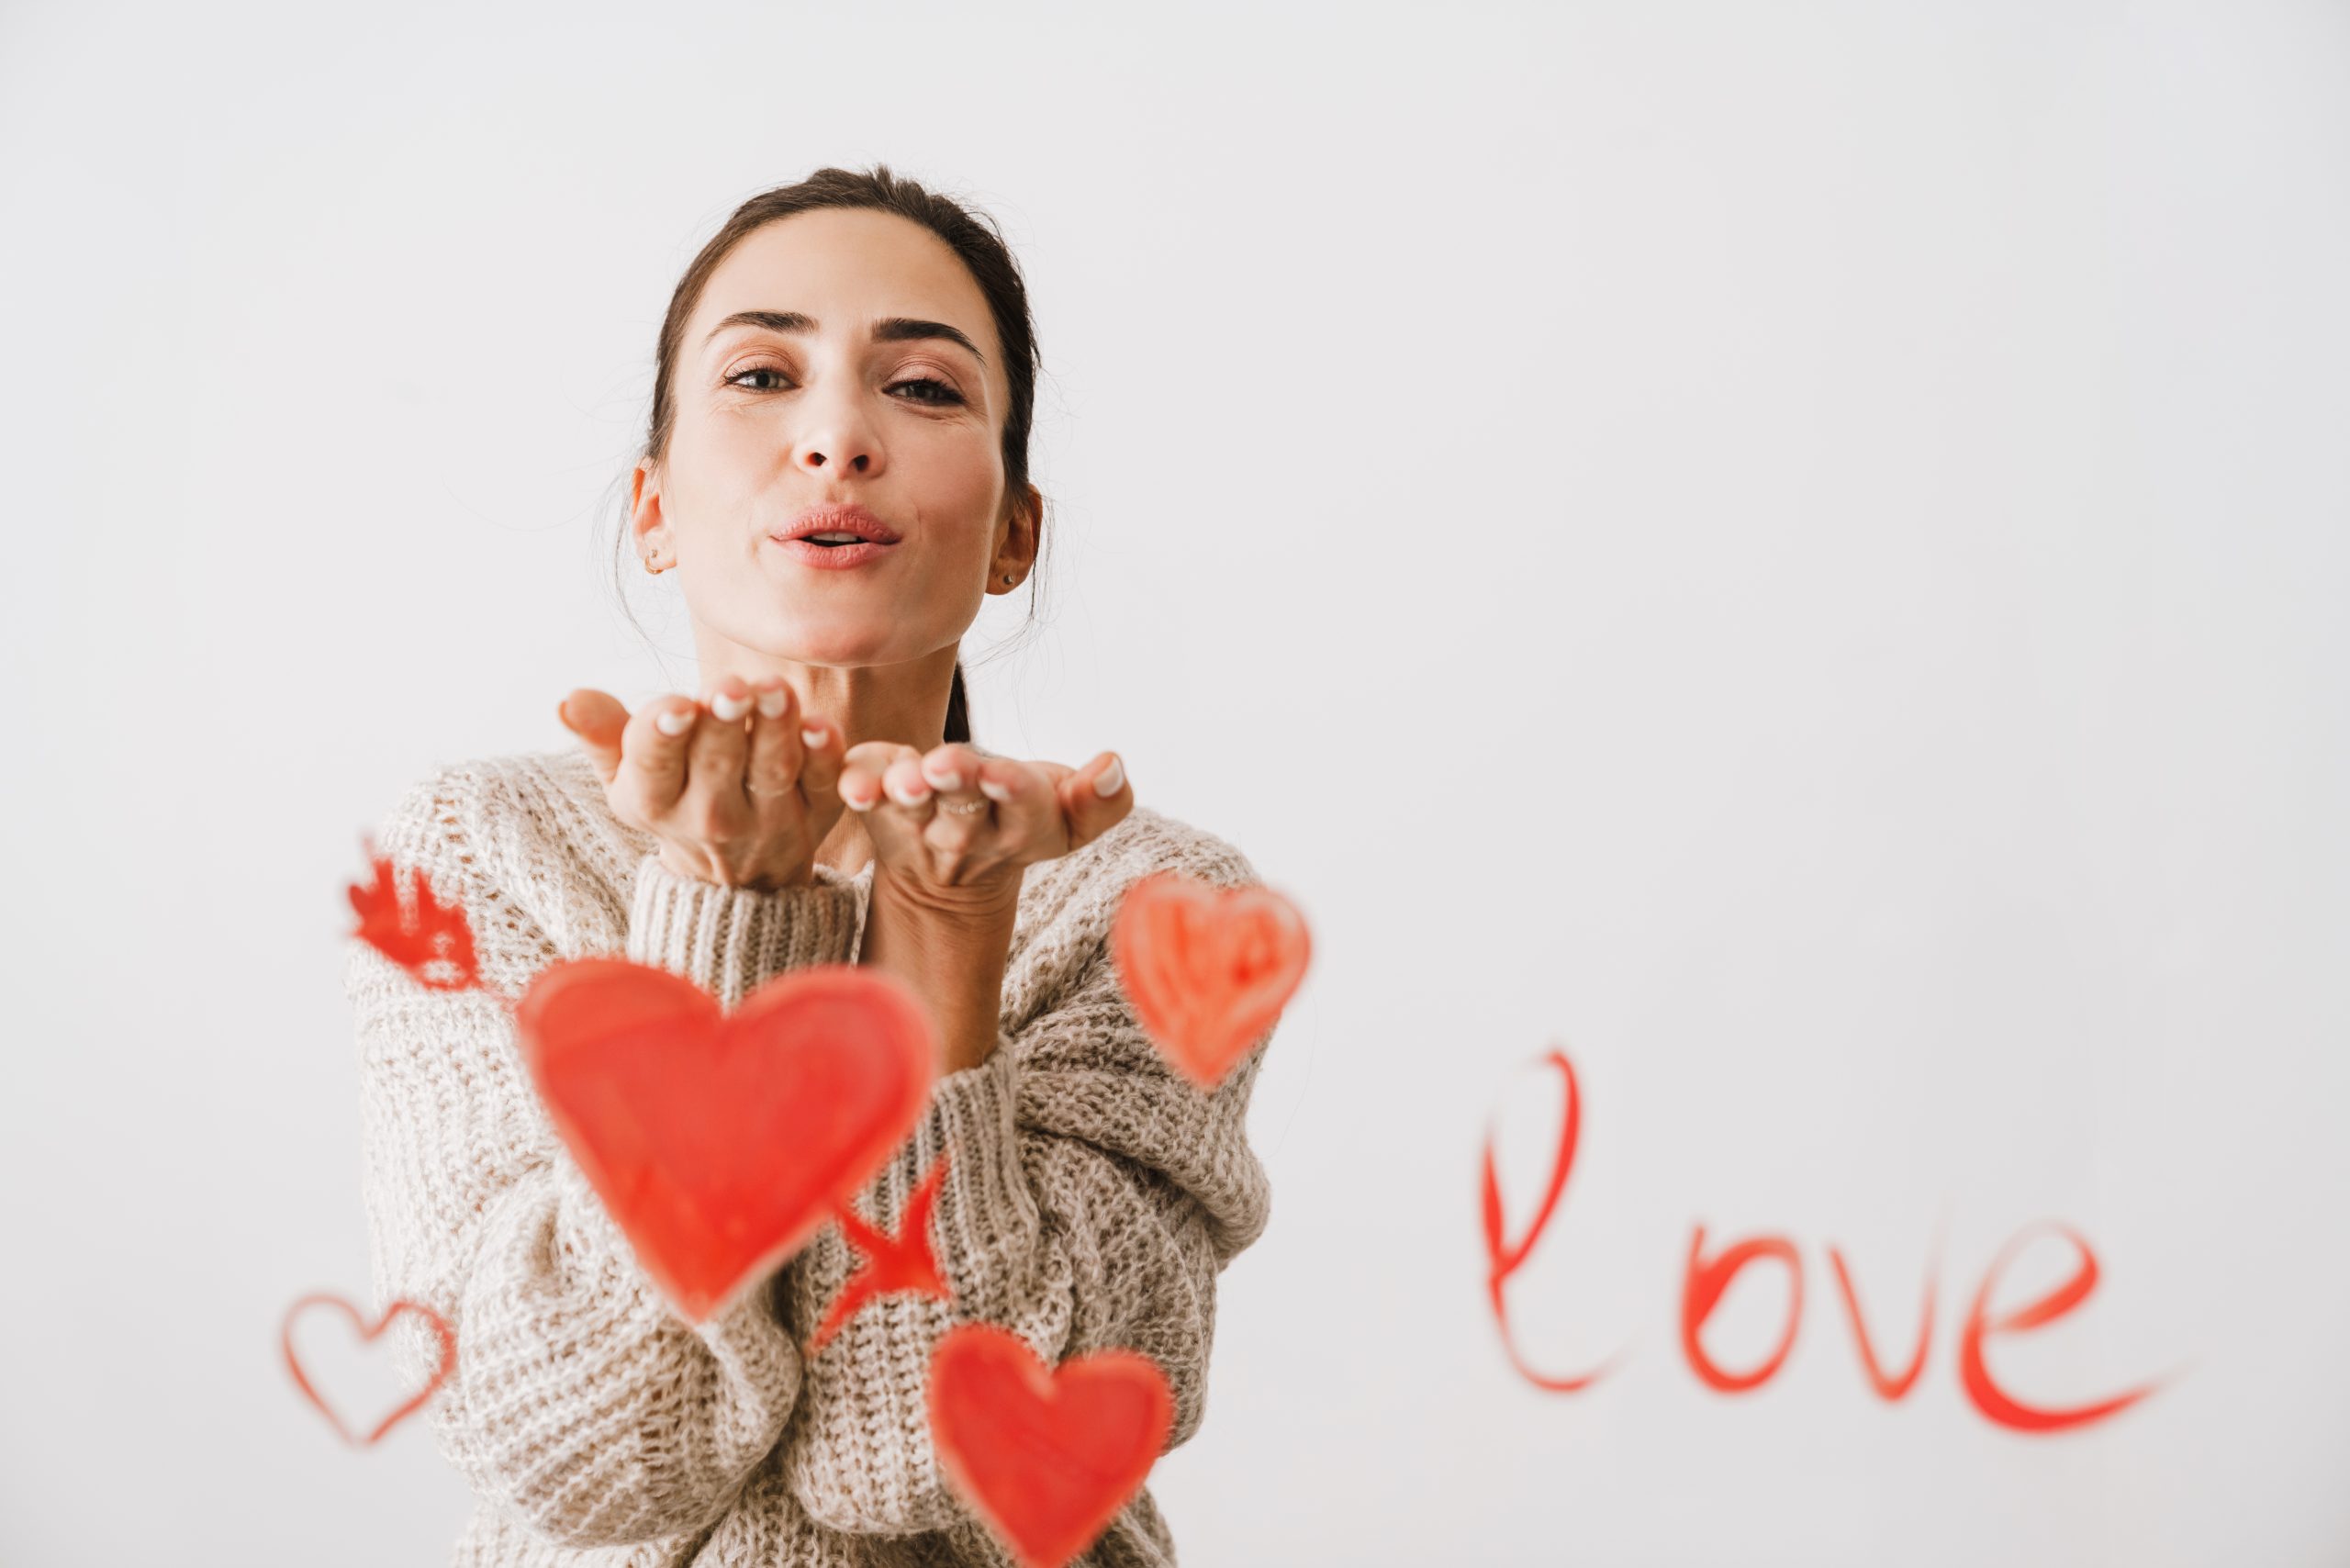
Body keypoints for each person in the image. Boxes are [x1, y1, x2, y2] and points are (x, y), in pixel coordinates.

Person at [346, 165, 1277, 1568]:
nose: (839, 436)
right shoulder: (482, 853)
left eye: (922, 389)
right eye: (764, 375)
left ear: (1018, 531)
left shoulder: (1162, 911)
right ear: (652, 508)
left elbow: (921, 1461)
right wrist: (727, 913)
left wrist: (943, 931)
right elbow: (593, 1456)